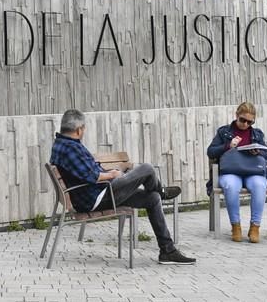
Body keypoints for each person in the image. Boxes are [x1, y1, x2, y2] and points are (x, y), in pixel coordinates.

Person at [50, 109, 196, 265]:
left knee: (152, 198)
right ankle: (163, 191)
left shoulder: (62, 144)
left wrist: (115, 174)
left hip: (97, 192)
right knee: (147, 169)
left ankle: (168, 251)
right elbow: (92, 176)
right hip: (97, 197)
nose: (83, 131)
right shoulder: (71, 148)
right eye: (84, 129)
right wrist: (112, 175)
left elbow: (87, 172)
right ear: (79, 130)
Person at [207, 102, 267, 243]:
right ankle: (236, 226)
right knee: (231, 185)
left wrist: (258, 151)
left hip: (252, 172)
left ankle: (255, 227)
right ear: (236, 116)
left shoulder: (257, 134)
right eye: (242, 120)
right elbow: (210, 152)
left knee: (260, 185)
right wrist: (228, 146)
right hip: (230, 171)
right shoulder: (224, 132)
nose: (245, 124)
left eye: (249, 121)